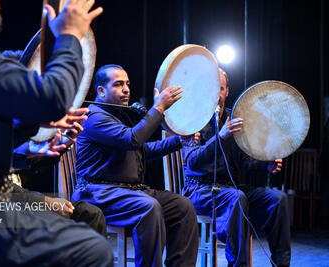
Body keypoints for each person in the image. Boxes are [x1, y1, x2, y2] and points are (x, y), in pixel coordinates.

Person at [0, 0, 113, 266]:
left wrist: (33, 126)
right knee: (91, 249)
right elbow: (53, 98)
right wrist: (70, 35)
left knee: (77, 226)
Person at [72, 64, 199, 267]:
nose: (126, 89)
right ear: (101, 91)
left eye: (128, 84)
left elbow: (142, 150)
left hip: (127, 192)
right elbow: (132, 139)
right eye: (118, 84)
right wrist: (158, 108)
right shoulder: (94, 118)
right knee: (148, 207)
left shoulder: (117, 116)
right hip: (98, 193)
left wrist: (179, 140)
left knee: (182, 206)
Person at [181, 68, 291, 267]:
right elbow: (191, 162)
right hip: (199, 189)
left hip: (231, 189)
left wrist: (265, 165)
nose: (216, 94)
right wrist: (220, 137)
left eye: (220, 89)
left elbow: (243, 161)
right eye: (211, 89)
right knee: (236, 198)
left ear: (227, 92)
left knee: (277, 199)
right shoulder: (192, 118)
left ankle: (281, 264)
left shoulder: (234, 118)